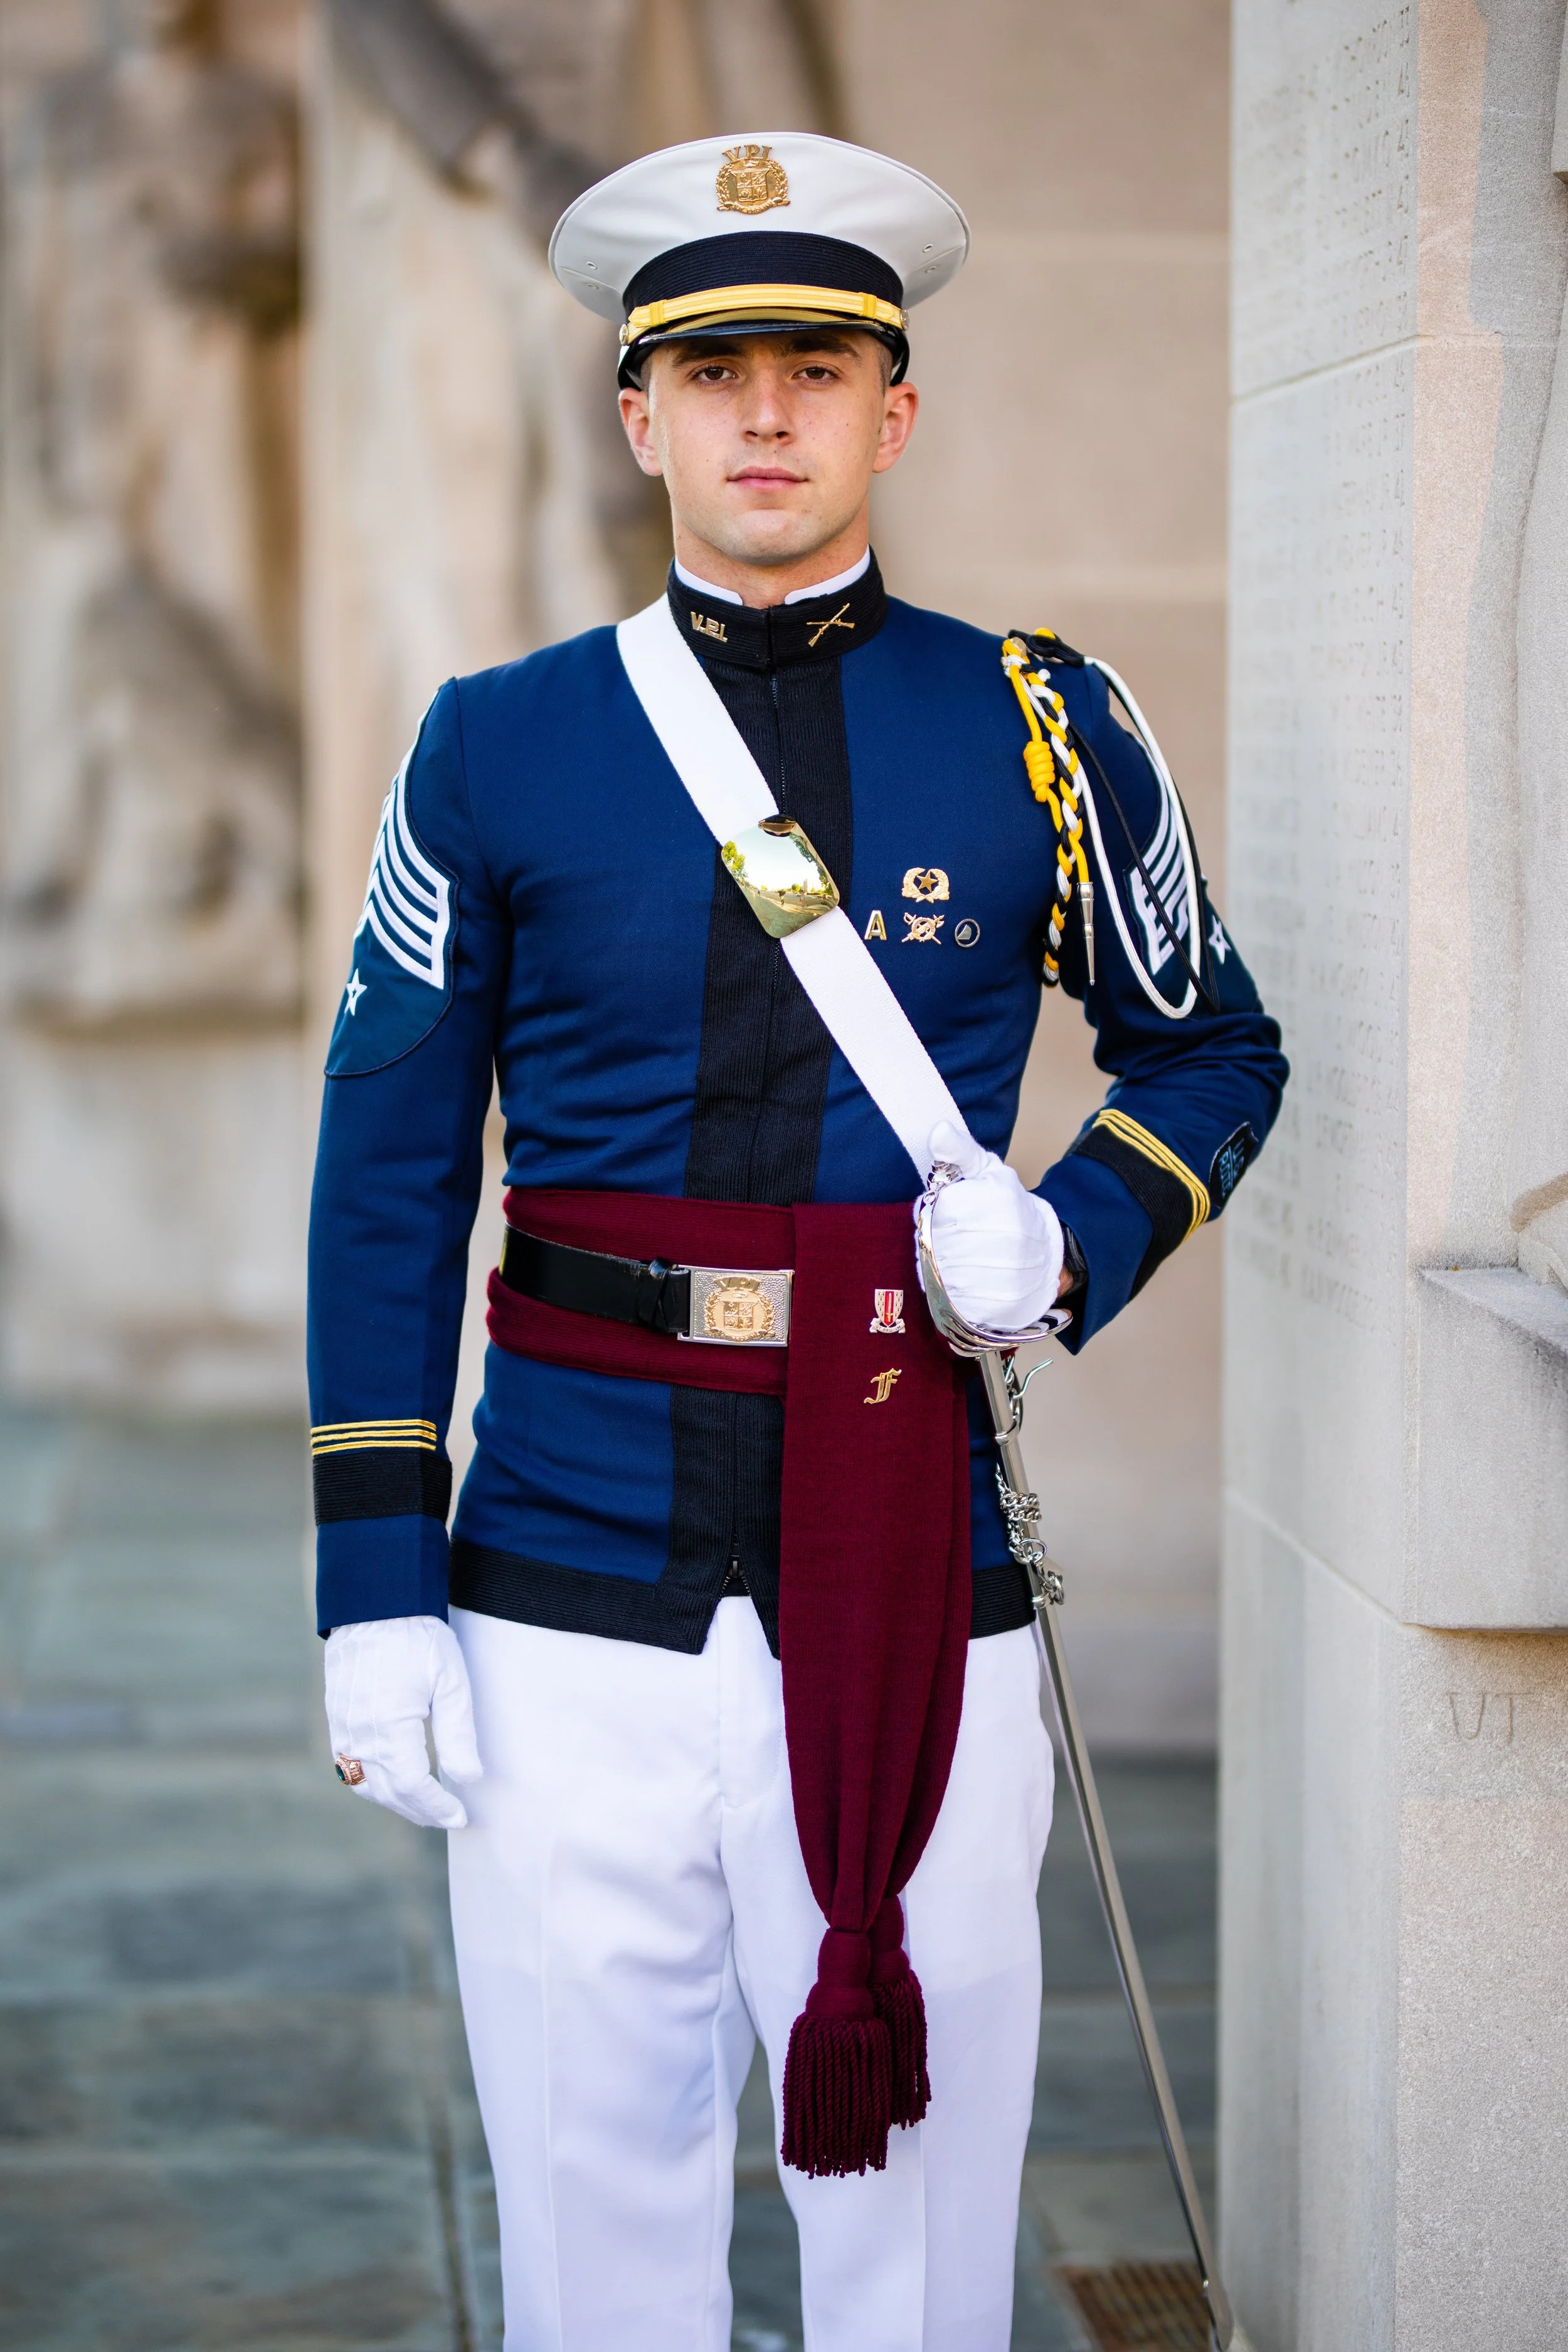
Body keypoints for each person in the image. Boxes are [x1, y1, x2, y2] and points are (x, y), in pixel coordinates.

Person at [309, 131, 1287, 2352]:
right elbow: (388, 1170)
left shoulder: (1040, 725)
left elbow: (1212, 1050)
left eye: (821, 367)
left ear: (894, 411)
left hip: (913, 1558)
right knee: (589, 2204)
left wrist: (1066, 1234)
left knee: (922, 2233)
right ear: (636, 413)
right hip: (564, 1572)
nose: (767, 413)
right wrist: (375, 1587)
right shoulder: (494, 746)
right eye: (715, 369)